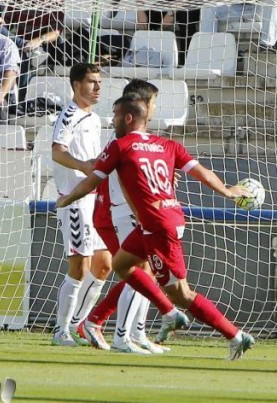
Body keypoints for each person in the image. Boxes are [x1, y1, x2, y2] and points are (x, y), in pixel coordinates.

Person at [55, 93, 256, 360]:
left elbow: (92, 181)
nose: (112, 120)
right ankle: (159, 314)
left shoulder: (121, 146)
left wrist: (67, 198)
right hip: (164, 219)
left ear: (128, 118)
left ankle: (233, 335)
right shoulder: (168, 145)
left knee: (181, 293)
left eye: (116, 116)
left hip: (158, 227)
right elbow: (202, 172)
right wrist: (227, 191)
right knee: (122, 265)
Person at [82, 79, 171, 355]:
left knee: (147, 273)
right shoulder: (125, 139)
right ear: (143, 104)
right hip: (117, 213)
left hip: (123, 213)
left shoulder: (133, 137)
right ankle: (117, 333)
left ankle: (135, 332)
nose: (155, 108)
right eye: (153, 102)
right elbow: (121, 179)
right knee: (138, 273)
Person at [50, 63, 111, 347]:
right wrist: (83, 167)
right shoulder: (69, 115)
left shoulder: (94, 118)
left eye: (99, 82)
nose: (97, 87)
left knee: (104, 265)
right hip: (74, 199)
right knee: (79, 266)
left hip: (95, 200)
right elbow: (57, 151)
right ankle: (60, 331)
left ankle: (81, 325)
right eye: (91, 82)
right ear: (76, 85)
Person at [199, 0, 277, 52]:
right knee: (208, 7)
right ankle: (206, 50)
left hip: (259, 9)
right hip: (235, 8)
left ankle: (266, 46)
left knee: (276, 1)